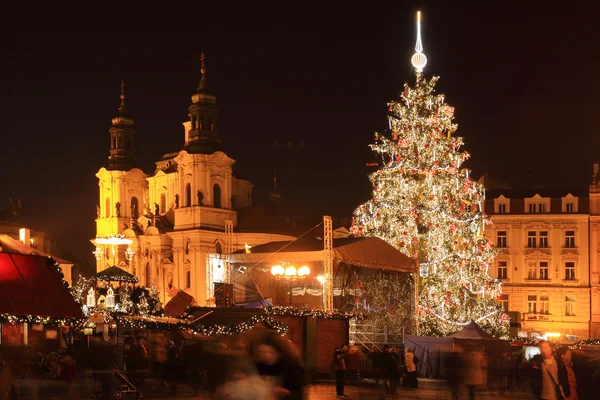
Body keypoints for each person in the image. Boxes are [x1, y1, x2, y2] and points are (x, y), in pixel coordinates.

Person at [250, 331, 305, 400]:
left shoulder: (292, 367)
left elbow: (299, 395)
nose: (267, 356)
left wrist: (286, 393)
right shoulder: (259, 365)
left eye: (271, 352)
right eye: (263, 352)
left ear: (279, 352)